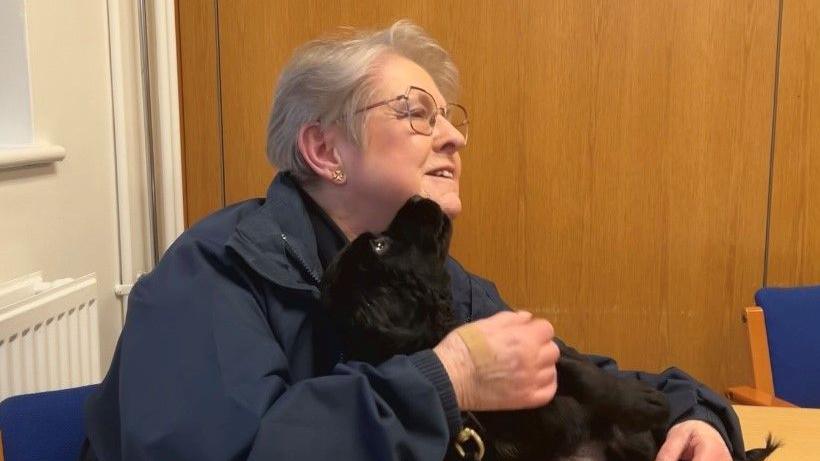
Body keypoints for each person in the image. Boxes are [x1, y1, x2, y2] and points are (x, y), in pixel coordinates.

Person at [84, 20, 744, 461]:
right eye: (417, 115)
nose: (456, 137)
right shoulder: (216, 272)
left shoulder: (437, 281)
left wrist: (698, 417)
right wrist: (449, 377)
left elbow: (578, 380)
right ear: (324, 148)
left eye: (449, 118)